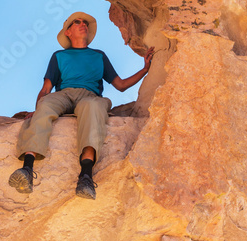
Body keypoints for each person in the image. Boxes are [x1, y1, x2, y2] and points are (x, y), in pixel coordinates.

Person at [8, 11, 154, 200]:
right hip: (64, 94)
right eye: (76, 22)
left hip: (89, 95)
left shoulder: (99, 56)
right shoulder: (59, 56)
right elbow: (46, 89)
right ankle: (27, 169)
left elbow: (120, 85)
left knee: (92, 108)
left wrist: (145, 69)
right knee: (46, 105)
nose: (82, 24)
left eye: (85, 22)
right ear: (68, 32)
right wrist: (37, 109)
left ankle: (85, 177)